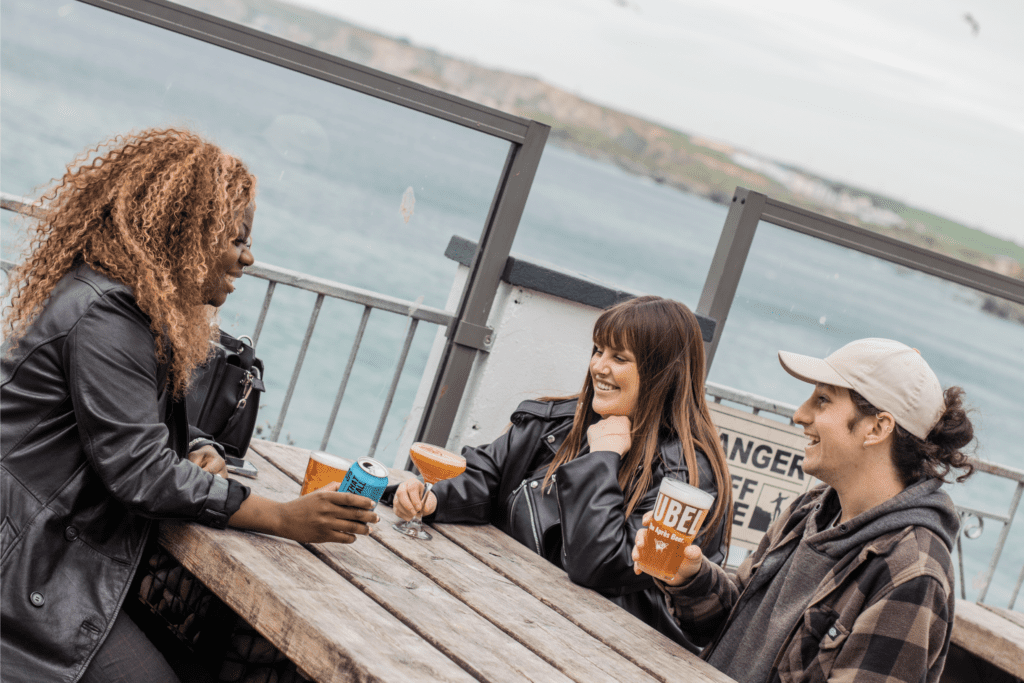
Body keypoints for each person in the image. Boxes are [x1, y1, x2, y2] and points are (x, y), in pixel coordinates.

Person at [0, 129, 379, 683]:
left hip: (53, 551)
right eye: (237, 239)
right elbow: (142, 474)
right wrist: (281, 516)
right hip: (26, 567)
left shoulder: (117, 302)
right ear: (189, 234)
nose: (249, 258)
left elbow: (121, 428)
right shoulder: (109, 315)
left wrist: (196, 445)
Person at [392, 295, 733, 651]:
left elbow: (598, 565)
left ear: (662, 373)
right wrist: (431, 498)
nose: (598, 367)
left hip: (602, 653)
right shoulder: (557, 421)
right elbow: (486, 476)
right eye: (598, 351)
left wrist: (602, 458)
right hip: (503, 615)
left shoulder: (688, 478)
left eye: (619, 358)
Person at [633, 338, 975, 683]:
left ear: (877, 428)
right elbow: (733, 631)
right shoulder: (809, 510)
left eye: (822, 400)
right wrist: (689, 578)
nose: (800, 414)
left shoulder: (911, 572)